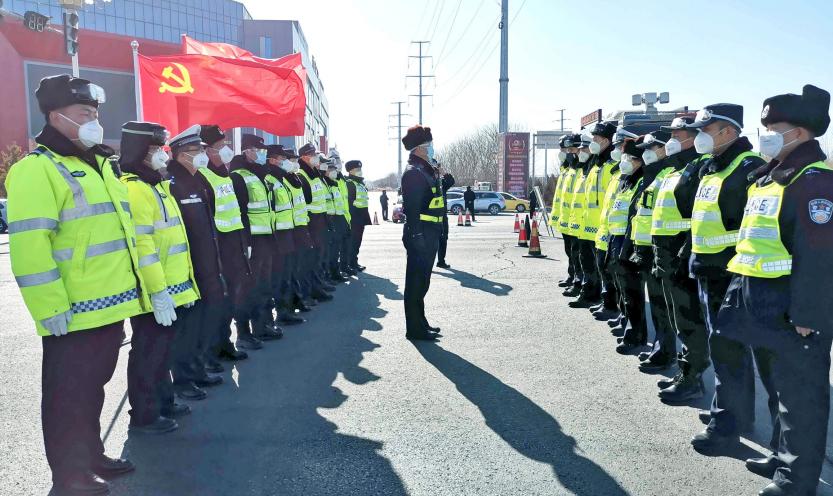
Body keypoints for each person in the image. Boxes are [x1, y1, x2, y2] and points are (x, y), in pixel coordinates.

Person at [6, 74, 142, 494]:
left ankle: (90, 455)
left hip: (107, 308)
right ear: (56, 115)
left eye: (97, 114)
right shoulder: (38, 169)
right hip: (71, 314)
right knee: (68, 401)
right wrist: (50, 308)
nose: (94, 121)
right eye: (86, 113)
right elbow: (30, 249)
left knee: (92, 394)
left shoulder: (98, 165)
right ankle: (69, 477)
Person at [717, 85, 833, 496]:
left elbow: (819, 259)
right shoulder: (770, 176)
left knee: (801, 400)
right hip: (762, 306)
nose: (765, 133)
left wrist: (807, 318)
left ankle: (795, 482)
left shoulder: (814, 181)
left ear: (800, 133)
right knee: (778, 391)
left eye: (774, 128)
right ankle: (780, 455)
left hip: (793, 312)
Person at [681, 106, 773, 450]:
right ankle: (736, 414)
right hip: (709, 269)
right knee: (723, 348)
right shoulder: (713, 166)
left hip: (733, 272)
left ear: (729, 132)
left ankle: (728, 425)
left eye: (708, 129)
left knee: (729, 350)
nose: (700, 136)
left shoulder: (748, 167)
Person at [119, 121, 201, 436]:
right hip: (156, 291)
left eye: (161, 149)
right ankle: (144, 415)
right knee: (147, 353)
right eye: (154, 150)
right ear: (138, 152)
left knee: (162, 352)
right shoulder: (136, 189)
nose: (161, 156)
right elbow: (144, 247)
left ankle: (164, 402)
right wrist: (157, 291)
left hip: (172, 287)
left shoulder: (157, 185)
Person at [165, 126, 230, 399]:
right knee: (186, 328)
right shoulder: (172, 184)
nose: (202, 155)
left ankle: (198, 368)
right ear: (181, 154)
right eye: (197, 151)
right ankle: (183, 379)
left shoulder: (199, 180)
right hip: (186, 268)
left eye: (203, 150)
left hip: (208, 265)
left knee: (203, 321)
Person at [645, 116, 705, 375]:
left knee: (688, 319)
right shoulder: (671, 171)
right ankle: (672, 359)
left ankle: (692, 378)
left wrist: (685, 251)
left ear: (693, 138)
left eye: (677, 137)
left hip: (682, 251)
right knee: (672, 315)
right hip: (664, 250)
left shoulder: (699, 168)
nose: (670, 142)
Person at [198, 125, 252, 361]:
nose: (226, 150)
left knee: (232, 297)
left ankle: (225, 343)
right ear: (207, 150)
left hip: (234, 245)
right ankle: (212, 349)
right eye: (220, 146)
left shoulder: (225, 174)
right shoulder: (203, 176)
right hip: (218, 248)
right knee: (217, 301)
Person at [628, 131, 678, 366]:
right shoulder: (655, 174)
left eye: (653, 147)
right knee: (658, 305)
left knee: (664, 306)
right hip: (648, 247)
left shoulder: (668, 173)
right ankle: (661, 348)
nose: (647, 152)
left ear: (665, 148)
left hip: (665, 249)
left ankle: (666, 352)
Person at [230, 134, 283, 343]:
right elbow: (240, 212)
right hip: (252, 240)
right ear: (247, 151)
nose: (262, 154)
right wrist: (246, 242)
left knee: (263, 285)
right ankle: (244, 332)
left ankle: (262, 325)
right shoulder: (238, 176)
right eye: (258, 150)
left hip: (266, 238)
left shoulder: (260, 174)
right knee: (246, 289)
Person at [400, 125, 444, 341]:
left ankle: (421, 322)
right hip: (421, 235)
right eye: (428, 146)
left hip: (430, 233)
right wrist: (417, 237)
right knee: (416, 283)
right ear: (418, 149)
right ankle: (414, 329)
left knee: (423, 282)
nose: (432, 149)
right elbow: (412, 209)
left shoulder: (425, 170)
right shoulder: (413, 173)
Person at [608, 136, 648, 353]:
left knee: (633, 293)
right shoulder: (627, 179)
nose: (626, 161)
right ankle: (626, 323)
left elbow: (635, 216)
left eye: (631, 158)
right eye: (625, 156)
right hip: (617, 239)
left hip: (629, 242)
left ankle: (636, 335)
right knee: (624, 290)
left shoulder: (642, 181)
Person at [573, 121, 618, 310]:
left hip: (602, 228)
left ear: (607, 141)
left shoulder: (612, 166)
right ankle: (590, 294)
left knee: (606, 270)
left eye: (596, 139)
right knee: (589, 264)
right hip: (587, 226)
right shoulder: (595, 164)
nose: (593, 142)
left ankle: (609, 304)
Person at [297, 143, 336, 300]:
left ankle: (318, 285)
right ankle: (310, 290)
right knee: (310, 259)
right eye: (312, 154)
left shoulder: (314, 173)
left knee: (318, 256)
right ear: (305, 156)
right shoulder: (302, 174)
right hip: (311, 220)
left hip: (320, 219)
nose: (316, 158)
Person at [345, 159, 372, 271]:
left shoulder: (360, 183)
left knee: (357, 241)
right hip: (354, 218)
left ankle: (354, 262)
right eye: (357, 169)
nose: (359, 171)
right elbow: (349, 203)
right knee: (352, 242)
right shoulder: (350, 183)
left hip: (361, 217)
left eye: (360, 169)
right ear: (350, 171)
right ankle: (350, 263)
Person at [436, 163, 455, 269]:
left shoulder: (442, 183)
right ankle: (425, 263)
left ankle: (441, 261)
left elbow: (451, 181)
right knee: (429, 241)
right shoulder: (426, 181)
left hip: (442, 216)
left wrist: (443, 172)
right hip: (430, 217)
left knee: (443, 239)